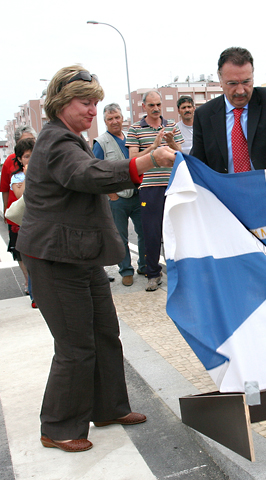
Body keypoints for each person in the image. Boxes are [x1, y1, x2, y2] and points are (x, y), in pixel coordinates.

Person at [16, 65, 178, 452]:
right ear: (60, 103)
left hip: (79, 255)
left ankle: (108, 407)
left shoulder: (70, 137)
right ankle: (57, 426)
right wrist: (147, 161)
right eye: (85, 103)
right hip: (55, 259)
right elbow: (89, 176)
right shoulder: (57, 141)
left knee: (105, 334)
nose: (92, 110)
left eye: (95, 103)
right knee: (74, 345)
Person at [191, 47, 266, 173]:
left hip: (265, 188)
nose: (240, 91)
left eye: (246, 82)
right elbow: (197, 162)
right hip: (224, 190)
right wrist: (175, 159)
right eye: (232, 83)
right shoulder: (204, 115)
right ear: (220, 80)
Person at [126, 90, 184, 291]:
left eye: (158, 104)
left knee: (177, 231)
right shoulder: (135, 129)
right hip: (149, 187)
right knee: (151, 232)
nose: (156, 108)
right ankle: (153, 274)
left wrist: (171, 143)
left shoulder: (172, 126)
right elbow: (133, 159)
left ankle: (181, 272)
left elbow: (181, 153)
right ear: (144, 107)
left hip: (172, 185)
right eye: (151, 105)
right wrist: (154, 146)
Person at [93, 103, 146, 287]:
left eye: (117, 117)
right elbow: (96, 172)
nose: (114, 121)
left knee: (144, 232)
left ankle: (144, 265)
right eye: (110, 119)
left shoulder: (131, 137)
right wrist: (111, 194)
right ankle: (126, 270)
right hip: (118, 198)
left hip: (137, 194)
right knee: (120, 237)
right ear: (105, 121)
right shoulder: (100, 142)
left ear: (122, 118)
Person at [7, 137, 35, 296]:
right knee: (30, 259)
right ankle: (34, 295)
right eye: (26, 156)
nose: (30, 159)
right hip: (26, 224)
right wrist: (27, 176)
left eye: (33, 155)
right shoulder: (17, 176)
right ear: (19, 158)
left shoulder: (43, 170)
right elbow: (20, 195)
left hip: (43, 222)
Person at [1, 126, 36, 253]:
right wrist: (6, 209)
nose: (29, 144)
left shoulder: (42, 159)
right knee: (19, 251)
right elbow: (5, 188)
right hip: (18, 212)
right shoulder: (9, 162)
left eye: (32, 140)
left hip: (37, 215)